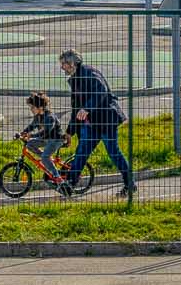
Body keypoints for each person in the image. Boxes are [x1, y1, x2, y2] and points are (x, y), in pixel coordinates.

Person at [57, 49, 135, 197]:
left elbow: (101, 91)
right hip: (91, 124)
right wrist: (69, 132)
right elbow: (76, 109)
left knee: (113, 153)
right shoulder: (74, 80)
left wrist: (87, 108)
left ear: (72, 63)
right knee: (81, 152)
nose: (62, 68)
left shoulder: (89, 73)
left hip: (106, 121)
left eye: (63, 64)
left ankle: (129, 184)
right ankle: (70, 185)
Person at [17, 90, 66, 177]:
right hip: (46, 138)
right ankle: (47, 160)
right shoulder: (38, 116)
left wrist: (31, 135)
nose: (31, 109)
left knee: (44, 157)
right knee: (29, 144)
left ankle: (57, 176)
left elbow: (45, 132)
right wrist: (23, 133)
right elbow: (31, 126)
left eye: (32, 107)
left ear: (40, 107)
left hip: (56, 139)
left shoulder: (49, 117)